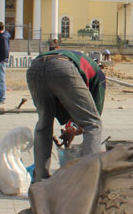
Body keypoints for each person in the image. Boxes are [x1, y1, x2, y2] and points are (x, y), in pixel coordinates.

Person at [26, 48, 106, 182]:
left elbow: (67, 102)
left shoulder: (80, 62)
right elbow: (92, 115)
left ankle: (40, 181)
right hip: (62, 67)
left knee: (44, 125)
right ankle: (89, 181)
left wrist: (70, 130)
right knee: (93, 124)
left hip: (35, 68)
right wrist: (79, 125)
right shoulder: (100, 76)